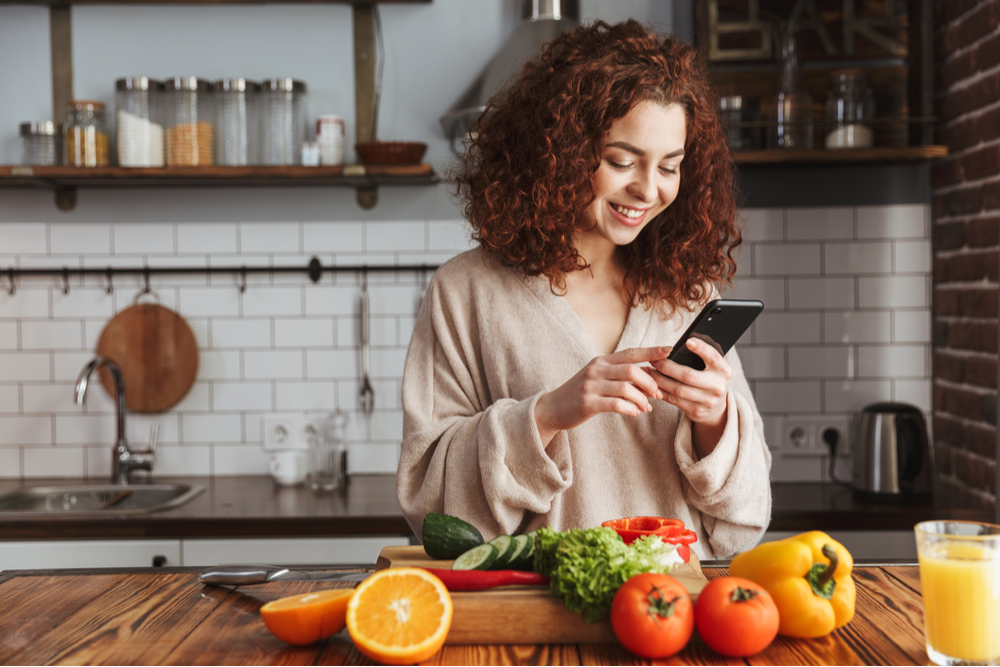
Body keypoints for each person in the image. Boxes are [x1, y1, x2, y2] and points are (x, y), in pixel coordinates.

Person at [397, 19, 771, 559]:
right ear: (563, 152)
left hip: (669, 616)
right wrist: (549, 413)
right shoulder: (467, 293)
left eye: (670, 166)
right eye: (621, 161)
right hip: (532, 621)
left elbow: (747, 518)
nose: (647, 188)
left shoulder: (688, 292)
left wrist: (714, 421)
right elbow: (430, 510)